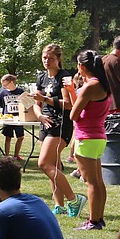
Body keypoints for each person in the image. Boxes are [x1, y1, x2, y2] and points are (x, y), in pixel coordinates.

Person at [33, 43, 81, 215]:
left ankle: (74, 199)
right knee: (54, 165)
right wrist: (39, 115)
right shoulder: (41, 78)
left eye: (51, 58)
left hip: (59, 124)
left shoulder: (65, 77)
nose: (47, 61)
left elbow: (69, 104)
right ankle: (59, 205)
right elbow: (35, 104)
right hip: (44, 124)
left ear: (58, 59)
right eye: (44, 57)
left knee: (44, 163)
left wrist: (46, 99)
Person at [71, 49, 112, 230]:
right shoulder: (103, 84)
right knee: (98, 181)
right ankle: (98, 218)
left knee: (91, 182)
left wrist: (72, 92)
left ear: (81, 66)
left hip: (86, 137)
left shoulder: (89, 87)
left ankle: (93, 221)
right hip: (99, 137)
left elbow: (73, 114)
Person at [0, 74, 25, 161]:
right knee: (8, 137)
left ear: (11, 82)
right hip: (7, 118)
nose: (4, 86)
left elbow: (28, 102)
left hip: (19, 118)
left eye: (5, 84)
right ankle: (7, 156)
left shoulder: (20, 91)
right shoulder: (3, 93)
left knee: (20, 137)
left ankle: (16, 155)